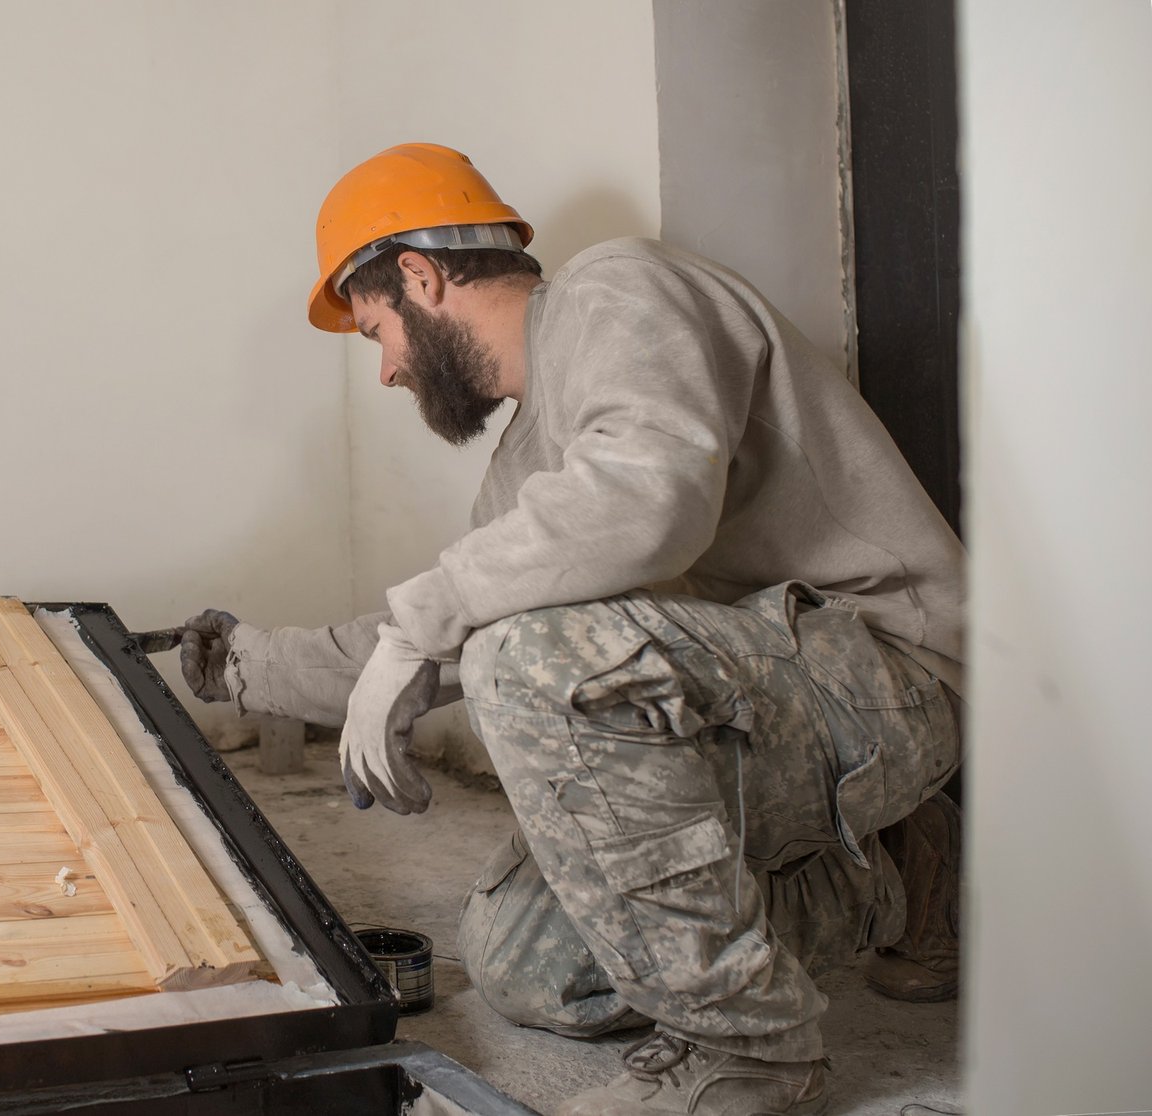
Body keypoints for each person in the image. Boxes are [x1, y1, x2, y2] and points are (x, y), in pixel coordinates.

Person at [180, 143, 962, 1116]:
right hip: (745, 706)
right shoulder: (527, 455)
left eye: (377, 329)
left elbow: (646, 501)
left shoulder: (620, 289)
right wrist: (247, 668)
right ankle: (892, 879)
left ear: (421, 276)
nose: (384, 371)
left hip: (885, 674)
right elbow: (435, 630)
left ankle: (751, 1056)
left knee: (524, 654)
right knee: (524, 966)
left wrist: (430, 624)